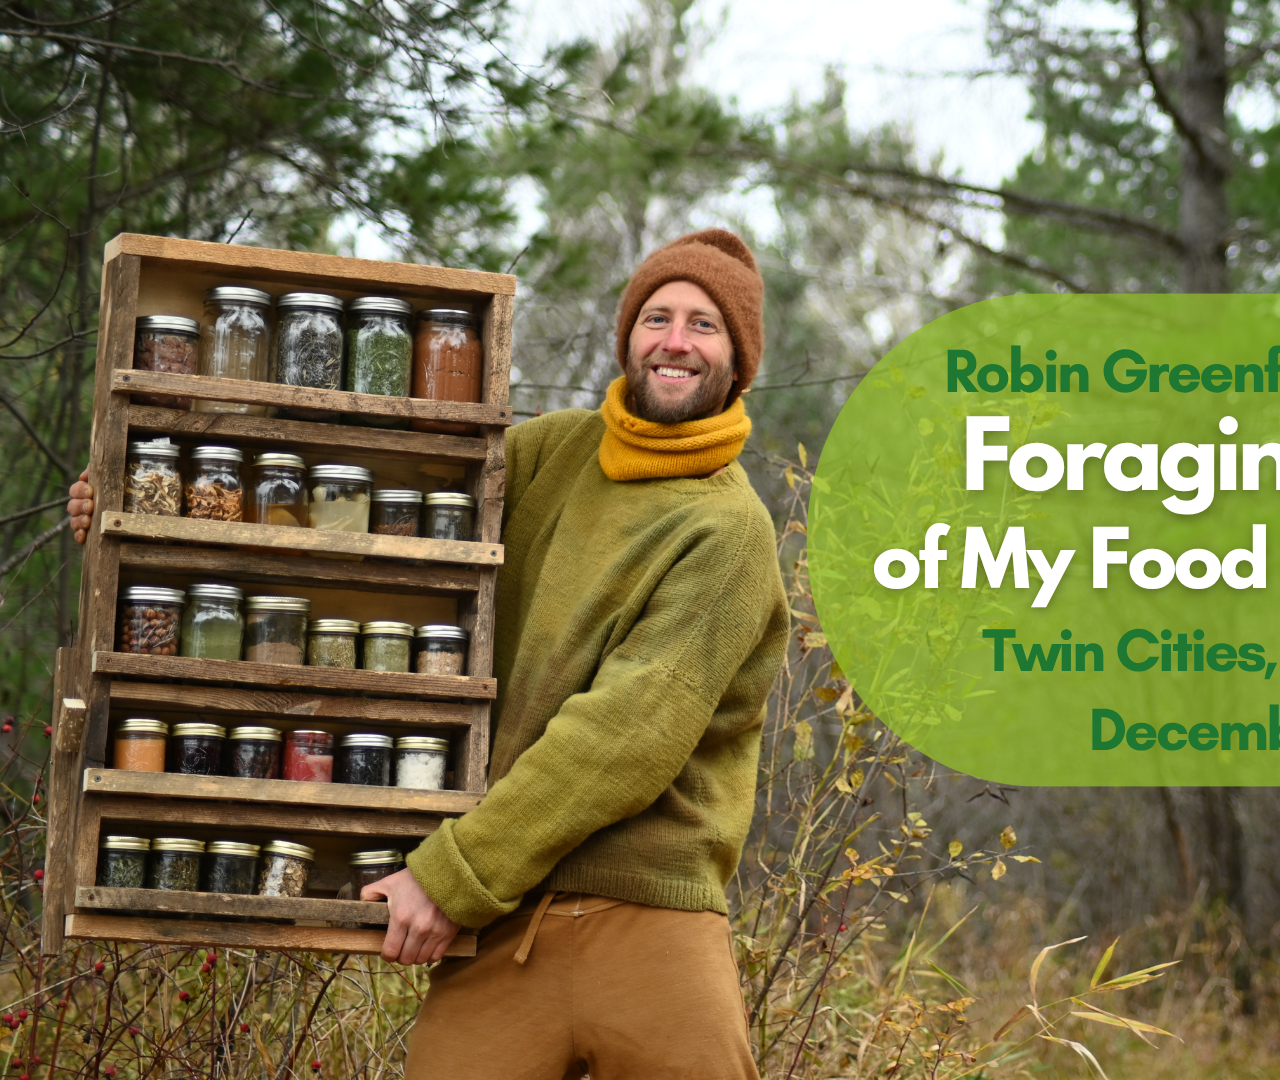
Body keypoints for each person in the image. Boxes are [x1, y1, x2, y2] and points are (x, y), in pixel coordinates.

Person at [69, 229, 790, 1079]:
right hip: (507, 918)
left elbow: (625, 736)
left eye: (705, 326)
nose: (675, 341)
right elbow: (367, 527)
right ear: (627, 335)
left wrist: (452, 877)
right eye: (657, 317)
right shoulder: (551, 453)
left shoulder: (730, 532)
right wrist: (144, 515)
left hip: (647, 919)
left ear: (737, 361)